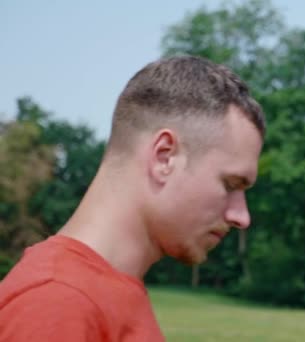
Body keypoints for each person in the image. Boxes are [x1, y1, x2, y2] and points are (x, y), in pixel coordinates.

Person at [0, 56, 265, 341]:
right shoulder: (56, 303)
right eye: (230, 184)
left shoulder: (103, 292)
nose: (242, 217)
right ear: (164, 156)